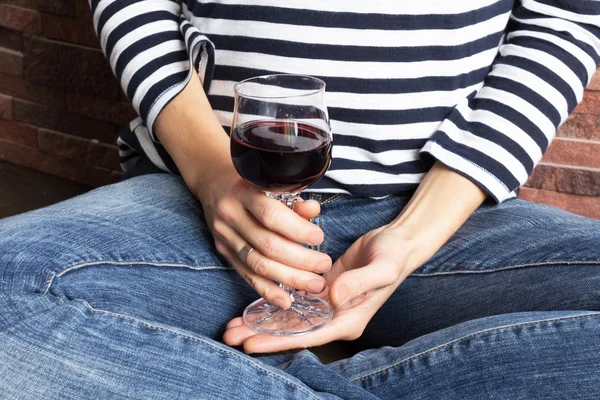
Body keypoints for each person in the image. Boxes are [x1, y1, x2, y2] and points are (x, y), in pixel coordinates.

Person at [2, 1, 600, 398]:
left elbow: (563, 23)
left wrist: (414, 235)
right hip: (204, 200)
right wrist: (214, 178)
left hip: (445, 219)